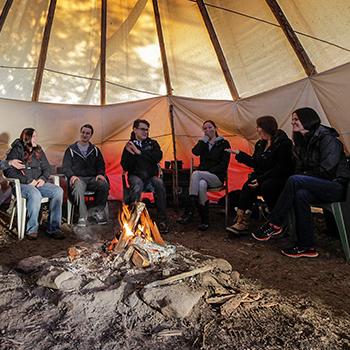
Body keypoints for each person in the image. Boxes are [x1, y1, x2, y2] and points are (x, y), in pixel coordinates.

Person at [252, 107, 350, 258]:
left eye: (296, 119)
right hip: (315, 185)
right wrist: (302, 175)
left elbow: (327, 170)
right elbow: (299, 168)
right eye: (292, 120)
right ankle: (307, 247)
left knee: (296, 180)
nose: (292, 122)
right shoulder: (301, 143)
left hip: (335, 186)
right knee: (300, 194)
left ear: (308, 119)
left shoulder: (328, 139)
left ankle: (274, 223)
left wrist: (303, 176)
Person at [225, 116, 294, 234]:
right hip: (263, 177)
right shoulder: (260, 144)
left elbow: (281, 167)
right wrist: (239, 154)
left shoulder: (284, 143)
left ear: (266, 128)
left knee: (267, 186)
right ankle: (242, 221)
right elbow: (255, 162)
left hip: (279, 177)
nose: (257, 130)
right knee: (248, 186)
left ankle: (277, 220)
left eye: (259, 127)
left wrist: (260, 180)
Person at [4, 128, 64, 240]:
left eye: (36, 136)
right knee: (35, 194)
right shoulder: (17, 150)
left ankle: (54, 228)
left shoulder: (38, 150)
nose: (36, 139)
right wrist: (27, 181)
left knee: (58, 191)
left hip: (38, 182)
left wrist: (43, 178)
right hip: (22, 185)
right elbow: (8, 171)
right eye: (34, 136)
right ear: (27, 138)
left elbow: (47, 168)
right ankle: (32, 229)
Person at [178, 120, 231, 230]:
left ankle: (190, 210)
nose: (207, 130)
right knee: (201, 185)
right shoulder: (203, 143)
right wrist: (203, 141)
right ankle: (204, 220)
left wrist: (208, 172)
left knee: (196, 174)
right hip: (203, 178)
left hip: (217, 177)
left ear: (215, 128)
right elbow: (195, 152)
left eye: (210, 127)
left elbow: (223, 165)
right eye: (205, 128)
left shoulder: (224, 143)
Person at [121, 119, 168, 233]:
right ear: (135, 129)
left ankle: (162, 220)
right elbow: (126, 166)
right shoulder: (129, 145)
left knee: (159, 183)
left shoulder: (152, 143)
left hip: (151, 177)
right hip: (136, 176)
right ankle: (134, 221)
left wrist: (139, 153)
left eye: (147, 130)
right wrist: (132, 154)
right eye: (142, 129)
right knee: (137, 185)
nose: (145, 132)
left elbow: (157, 157)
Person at [62, 124, 109, 227]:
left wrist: (101, 174)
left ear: (91, 135)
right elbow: (66, 167)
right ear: (80, 133)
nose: (85, 135)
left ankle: (98, 211)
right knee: (78, 187)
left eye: (87, 133)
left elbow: (101, 164)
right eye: (83, 132)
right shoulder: (71, 150)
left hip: (92, 179)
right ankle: (82, 215)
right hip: (78, 178)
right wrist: (72, 176)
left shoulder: (95, 150)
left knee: (103, 184)